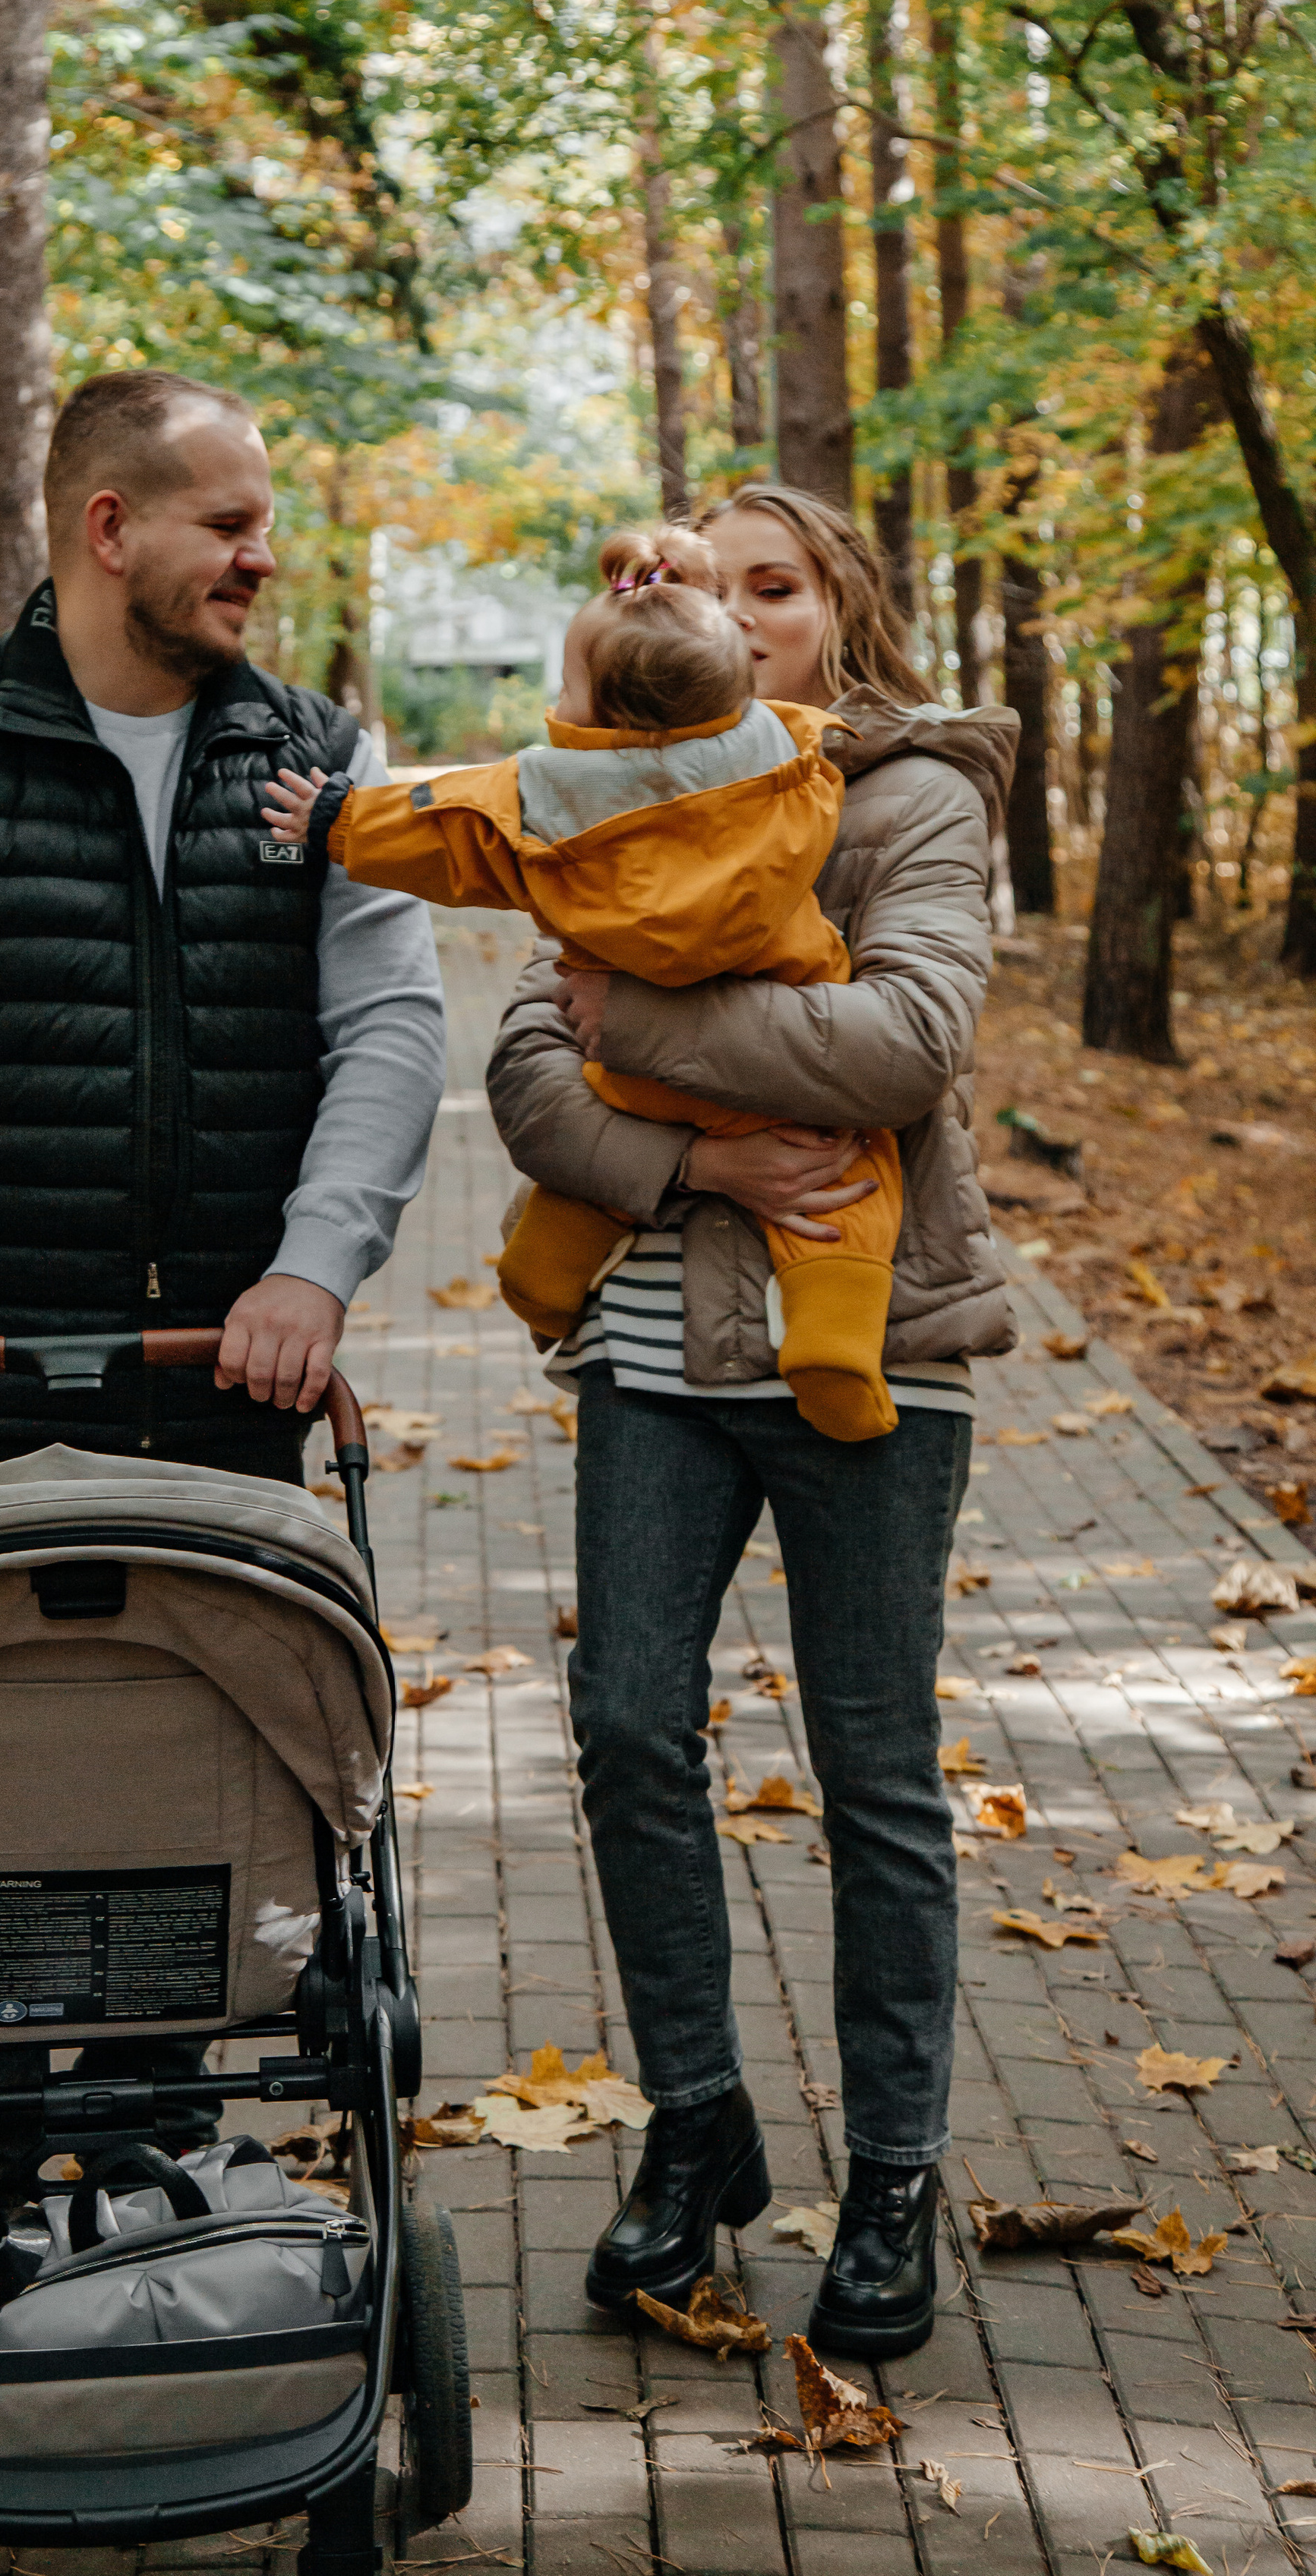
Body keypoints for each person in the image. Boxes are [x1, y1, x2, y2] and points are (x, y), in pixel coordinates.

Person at [485, 483, 1018, 2360]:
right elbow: (522, 1071)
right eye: (703, 586)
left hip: (877, 1362)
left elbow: (903, 1046)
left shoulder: (912, 800)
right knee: (626, 1721)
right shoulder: (603, 786)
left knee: (873, 1772)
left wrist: (616, 1004)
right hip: (646, 1355)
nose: (732, 613)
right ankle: (695, 2119)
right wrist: (703, 1139)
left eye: (766, 587)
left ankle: (889, 2172)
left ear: (827, 610)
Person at [0, 365, 446, 1503]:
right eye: (228, 526)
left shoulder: (327, 766)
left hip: (234, 1397)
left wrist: (316, 1268)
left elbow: (391, 1028)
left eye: (263, 527)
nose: (261, 559)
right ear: (110, 528)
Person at [262, 521, 904, 1442]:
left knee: (600, 1142)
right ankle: (835, 1338)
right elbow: (806, 747)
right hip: (788, 1080)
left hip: (628, 1077)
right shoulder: (796, 768)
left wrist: (336, 822)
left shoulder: (551, 814)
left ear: (601, 714)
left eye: (567, 685)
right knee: (851, 1181)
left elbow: (453, 830)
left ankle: (541, 1272)